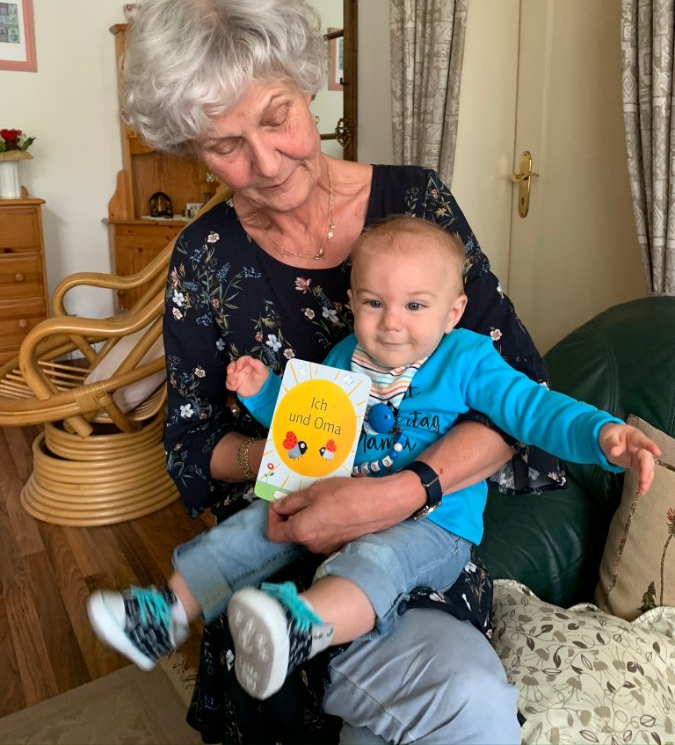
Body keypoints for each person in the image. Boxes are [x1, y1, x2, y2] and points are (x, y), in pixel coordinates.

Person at [109, 0, 578, 744]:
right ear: (192, 149)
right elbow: (189, 444)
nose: (266, 163)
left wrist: (395, 493)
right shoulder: (204, 257)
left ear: (309, 83)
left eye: (277, 118)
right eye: (225, 145)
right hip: (273, 547)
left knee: (466, 704)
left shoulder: (416, 203)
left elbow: (515, 387)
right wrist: (293, 458)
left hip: (415, 538)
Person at [87, 216, 658, 703]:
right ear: (352, 301)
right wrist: (262, 393)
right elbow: (305, 420)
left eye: (415, 305)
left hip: (432, 527)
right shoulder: (344, 356)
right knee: (253, 526)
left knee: (377, 562)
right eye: (374, 303)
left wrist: (601, 433)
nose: (392, 322)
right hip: (330, 496)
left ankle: (301, 627)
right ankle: (166, 613)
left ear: (453, 311)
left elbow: (533, 408)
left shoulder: (467, 359)